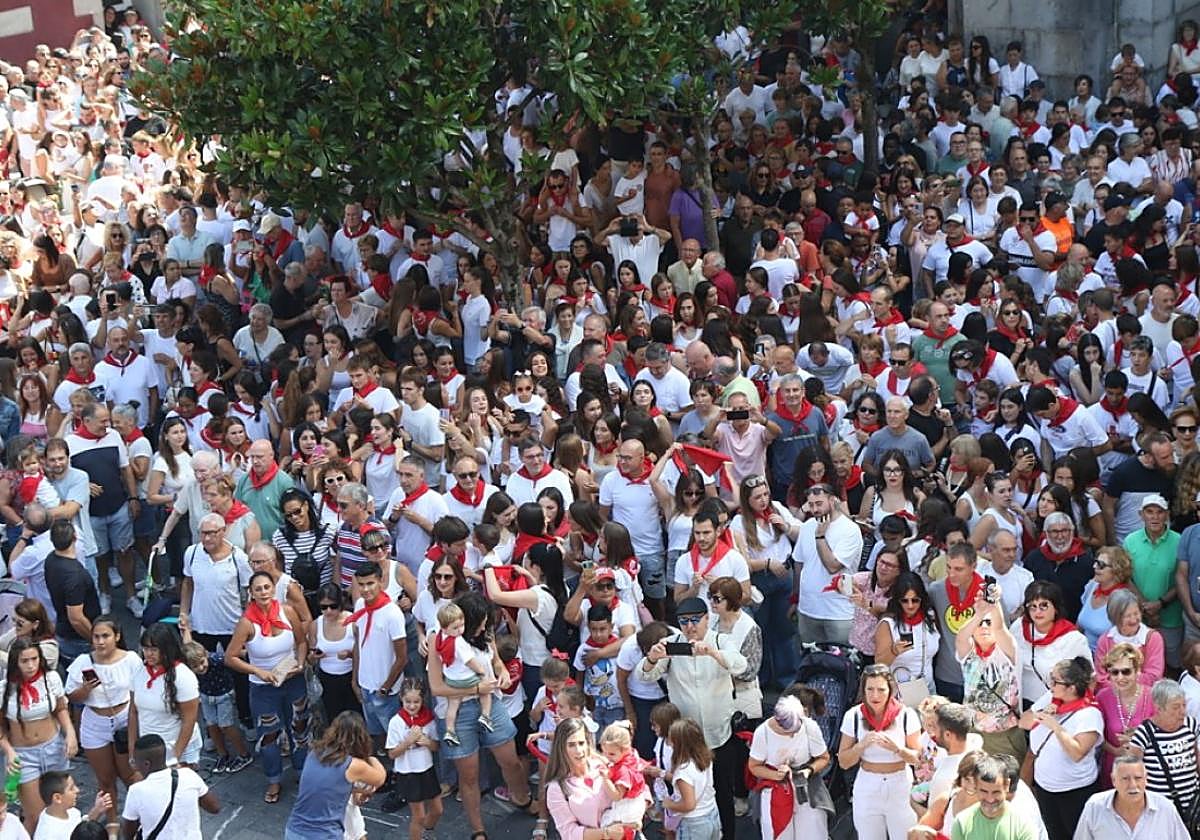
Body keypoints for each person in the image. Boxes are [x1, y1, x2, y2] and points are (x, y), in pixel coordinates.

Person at [638, 596, 746, 840]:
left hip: (720, 734)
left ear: (708, 619)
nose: (690, 627)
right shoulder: (670, 644)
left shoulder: (722, 640)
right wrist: (653, 658)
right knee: (687, 792)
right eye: (684, 621)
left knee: (723, 793)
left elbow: (741, 665)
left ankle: (726, 836)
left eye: (696, 620)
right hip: (686, 740)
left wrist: (714, 653)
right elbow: (643, 676)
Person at [425, 592, 531, 838]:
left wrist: (501, 671)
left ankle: (522, 798)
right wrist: (475, 688)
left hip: (489, 702)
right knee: (469, 776)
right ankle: (478, 829)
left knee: (511, 761)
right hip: (458, 710)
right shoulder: (439, 639)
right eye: (481, 622)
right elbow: (437, 687)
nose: (485, 626)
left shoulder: (486, 634)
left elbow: (495, 663)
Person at [224, 570, 310, 805]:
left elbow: (302, 642)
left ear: (274, 589)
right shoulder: (246, 623)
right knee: (269, 736)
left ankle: (303, 772)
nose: (263, 592)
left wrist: (301, 663)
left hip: (292, 680)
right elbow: (231, 657)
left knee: (300, 728)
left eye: (267, 587)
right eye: (258, 588)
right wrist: (258, 671)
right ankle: (274, 778)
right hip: (263, 687)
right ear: (250, 593)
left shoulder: (288, 611)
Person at [62, 616, 141, 829]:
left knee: (130, 775)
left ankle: (139, 819)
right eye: (96, 636)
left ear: (117, 636)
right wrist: (86, 688)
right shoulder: (83, 662)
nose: (100, 641)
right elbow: (71, 696)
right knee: (105, 780)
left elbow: (138, 692)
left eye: (105, 636)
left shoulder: (131, 659)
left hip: (124, 719)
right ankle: (112, 824)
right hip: (95, 723)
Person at [1019, 656, 1103, 840]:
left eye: (1055, 681)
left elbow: (1077, 753)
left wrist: (1056, 726)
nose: (1051, 685)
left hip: (1074, 792)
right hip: (1045, 788)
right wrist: (1041, 715)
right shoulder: (1052, 698)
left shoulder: (1090, 713)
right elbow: (1023, 721)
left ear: (1071, 688)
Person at [836, 663, 921, 840]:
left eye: (881, 690)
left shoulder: (906, 715)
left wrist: (897, 749)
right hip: (868, 784)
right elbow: (843, 761)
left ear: (890, 690)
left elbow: (918, 759)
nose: (875, 695)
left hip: (900, 785)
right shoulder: (853, 715)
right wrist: (861, 746)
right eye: (870, 689)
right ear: (864, 690)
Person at [0, 638, 73, 834]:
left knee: (62, 808)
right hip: (23, 756)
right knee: (35, 816)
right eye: (25, 661)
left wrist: (70, 733)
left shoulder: (51, 679)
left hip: (53, 747)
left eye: (34, 659)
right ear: (16, 662)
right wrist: (8, 751)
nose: (31, 665)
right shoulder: (4, 689)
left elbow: (60, 708)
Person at [285, 710, 387, 840]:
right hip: (323, 834)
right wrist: (371, 759)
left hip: (294, 829)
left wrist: (356, 789)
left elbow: (329, 786)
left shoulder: (314, 753)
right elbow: (380, 778)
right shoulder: (353, 765)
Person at [748, 694, 831, 840]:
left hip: (806, 788)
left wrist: (808, 770)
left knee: (814, 833)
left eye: (796, 731)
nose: (792, 736)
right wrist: (776, 775)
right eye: (789, 732)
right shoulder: (762, 733)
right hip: (775, 791)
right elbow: (754, 766)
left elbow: (824, 757)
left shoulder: (809, 727)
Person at [544, 716, 640, 840]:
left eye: (581, 743)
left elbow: (637, 784)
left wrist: (640, 810)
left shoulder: (605, 763)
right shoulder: (556, 789)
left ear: (588, 742)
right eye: (571, 745)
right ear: (561, 748)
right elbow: (568, 833)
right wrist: (606, 833)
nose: (579, 750)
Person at [126, 623, 202, 768]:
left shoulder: (183, 676)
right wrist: (132, 752)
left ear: (167, 649)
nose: (148, 653)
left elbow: (189, 720)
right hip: (149, 749)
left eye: (154, 649)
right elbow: (133, 712)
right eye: (146, 648)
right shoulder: (138, 671)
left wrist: (175, 757)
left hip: (177, 750)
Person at [119, 734, 220, 840]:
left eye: (134, 761)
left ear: (146, 764)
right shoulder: (188, 775)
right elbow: (215, 808)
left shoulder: (136, 791)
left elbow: (128, 833)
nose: (134, 766)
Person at [1010, 581, 1091, 705]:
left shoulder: (1074, 639)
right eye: (1032, 606)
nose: (1037, 612)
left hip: (1052, 707)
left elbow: (1089, 680)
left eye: (1044, 605)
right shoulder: (1019, 627)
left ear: (1056, 608)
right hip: (1018, 702)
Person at [1074, 754, 1190, 839]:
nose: (1133, 785)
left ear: (1146, 779)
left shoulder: (1165, 808)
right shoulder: (1095, 807)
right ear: (1114, 780)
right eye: (1125, 779)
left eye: (1138, 778)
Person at [1128, 679, 1200, 816]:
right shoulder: (1145, 733)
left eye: (1184, 705)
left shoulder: (1191, 725)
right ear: (1159, 708)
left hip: (1193, 807)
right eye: (1175, 707)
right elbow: (1132, 771)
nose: (1182, 712)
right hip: (1160, 810)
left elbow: (1197, 758)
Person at [386, 678, 443, 840]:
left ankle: (427, 832)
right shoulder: (396, 722)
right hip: (408, 773)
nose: (412, 706)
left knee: (438, 810)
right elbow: (392, 753)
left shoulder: (429, 719)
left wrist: (428, 742)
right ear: (401, 699)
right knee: (418, 816)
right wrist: (408, 742)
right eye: (408, 701)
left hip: (426, 769)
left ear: (422, 700)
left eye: (416, 702)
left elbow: (436, 746)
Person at [1095, 643, 1155, 781]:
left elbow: (1163, 733)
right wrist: (1116, 751)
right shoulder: (1102, 697)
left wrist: (1139, 741)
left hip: (1148, 768)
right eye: (1115, 672)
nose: (1120, 677)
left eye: (1126, 671)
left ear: (1137, 671)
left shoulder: (1152, 696)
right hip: (1114, 768)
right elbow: (1096, 736)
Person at [949, 754, 1038, 840]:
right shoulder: (961, 824)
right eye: (984, 791)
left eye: (996, 792)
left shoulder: (1024, 825)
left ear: (1007, 785)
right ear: (975, 786)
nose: (990, 799)